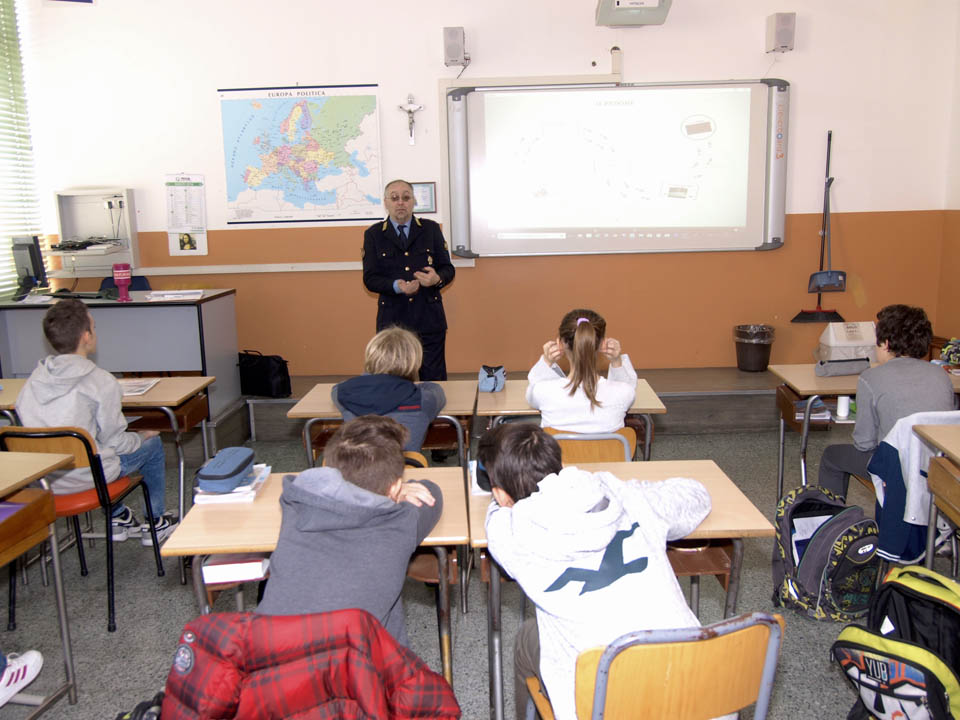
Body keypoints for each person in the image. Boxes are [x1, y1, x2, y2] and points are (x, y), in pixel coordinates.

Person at [480, 423, 711, 720]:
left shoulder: (508, 533)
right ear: (561, 466)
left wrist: (499, 497)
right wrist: (597, 484)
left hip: (605, 704)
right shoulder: (621, 494)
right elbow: (697, 496)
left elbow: (497, 514)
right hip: (695, 690)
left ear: (500, 495)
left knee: (527, 639)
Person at [256, 415, 443, 648]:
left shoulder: (295, 506)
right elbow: (433, 493)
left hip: (269, 664)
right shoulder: (397, 522)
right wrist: (400, 493)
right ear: (395, 487)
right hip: (353, 673)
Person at [15, 299, 177, 545]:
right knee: (150, 446)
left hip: (45, 480)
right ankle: (154, 522)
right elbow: (119, 443)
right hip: (88, 477)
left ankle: (119, 516)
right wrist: (142, 436)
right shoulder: (100, 381)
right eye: (93, 326)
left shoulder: (32, 383)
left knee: (97, 448)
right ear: (86, 336)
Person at [818, 304, 955, 498]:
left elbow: (864, 443)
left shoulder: (871, 377)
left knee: (832, 456)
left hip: (896, 470)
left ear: (886, 343)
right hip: (939, 468)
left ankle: (831, 523)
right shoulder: (941, 375)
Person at [362, 179, 455, 381]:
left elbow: (448, 269)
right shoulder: (374, 234)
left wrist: (436, 279)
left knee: (434, 380)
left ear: (413, 201)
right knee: (393, 381)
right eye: (394, 198)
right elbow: (370, 279)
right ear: (386, 202)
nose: (400, 202)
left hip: (429, 317)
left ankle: (437, 414)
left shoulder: (430, 229)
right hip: (393, 321)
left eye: (406, 197)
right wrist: (397, 286)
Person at [331, 326, 445, 453]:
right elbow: (436, 389)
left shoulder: (342, 393)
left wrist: (370, 378)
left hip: (356, 468)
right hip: (404, 468)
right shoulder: (423, 399)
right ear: (413, 361)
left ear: (371, 355)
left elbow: (339, 387)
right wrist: (410, 386)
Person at [526, 308, 637, 432]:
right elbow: (629, 390)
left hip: (559, 452)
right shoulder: (623, 392)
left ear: (560, 344)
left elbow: (531, 393)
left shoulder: (543, 391)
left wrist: (546, 362)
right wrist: (617, 362)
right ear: (602, 344)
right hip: (607, 452)